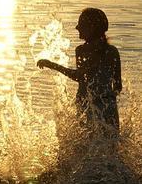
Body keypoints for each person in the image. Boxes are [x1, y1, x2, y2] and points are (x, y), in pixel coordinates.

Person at [37, 8, 122, 137]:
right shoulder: (113, 51)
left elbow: (79, 77)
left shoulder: (82, 51)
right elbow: (118, 86)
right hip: (108, 107)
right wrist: (105, 99)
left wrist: (51, 64)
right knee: (112, 146)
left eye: (81, 24)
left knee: (85, 147)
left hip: (87, 107)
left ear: (91, 27)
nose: (77, 27)